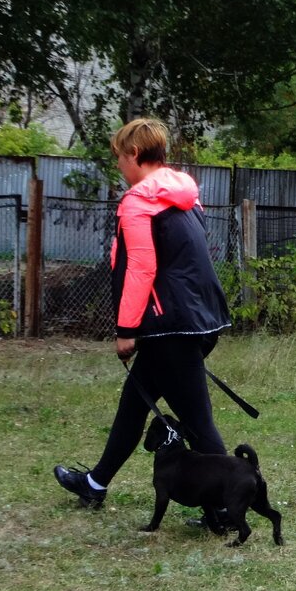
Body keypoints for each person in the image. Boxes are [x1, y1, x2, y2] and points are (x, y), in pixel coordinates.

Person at [54, 117, 231, 509]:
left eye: (119, 156)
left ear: (135, 153)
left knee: (199, 424)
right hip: (194, 320)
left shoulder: (139, 203)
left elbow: (141, 267)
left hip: (170, 327)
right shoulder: (184, 196)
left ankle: (223, 506)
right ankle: (95, 484)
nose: (118, 164)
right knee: (134, 404)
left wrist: (125, 328)